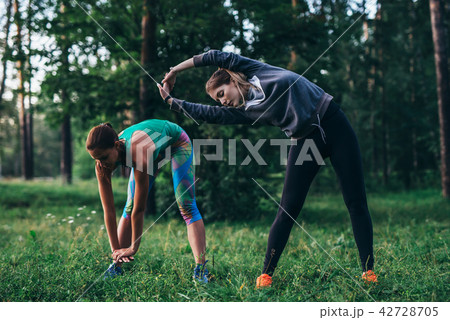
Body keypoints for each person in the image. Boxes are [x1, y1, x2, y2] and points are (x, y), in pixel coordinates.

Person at [157, 50, 378, 288]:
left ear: (232, 79)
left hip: (335, 124)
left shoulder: (255, 71)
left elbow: (213, 56)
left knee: (355, 202)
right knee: (288, 209)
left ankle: (368, 271)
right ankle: (266, 275)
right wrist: (172, 102)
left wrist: (175, 71)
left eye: (221, 93)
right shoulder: (245, 111)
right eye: (217, 99)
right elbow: (209, 114)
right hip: (304, 141)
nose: (222, 101)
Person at [86, 120, 209, 283]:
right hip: (153, 150)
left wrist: (133, 248)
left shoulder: (138, 153)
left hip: (177, 143)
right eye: (96, 159)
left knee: (186, 206)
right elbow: (108, 211)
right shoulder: (101, 165)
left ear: (116, 146)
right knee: (127, 208)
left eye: (103, 157)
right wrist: (115, 251)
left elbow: (140, 208)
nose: (101, 163)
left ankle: (201, 269)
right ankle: (116, 266)